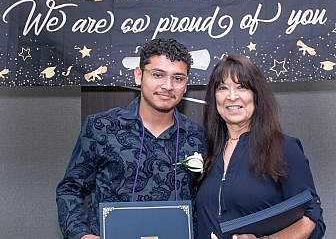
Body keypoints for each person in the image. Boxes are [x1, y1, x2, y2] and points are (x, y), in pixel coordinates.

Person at [56, 38, 206, 239]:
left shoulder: (197, 136)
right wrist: (81, 234)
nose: (168, 85)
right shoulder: (102, 127)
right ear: (138, 75)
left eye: (178, 78)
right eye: (158, 75)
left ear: (185, 85)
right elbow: (69, 188)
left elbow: (206, 200)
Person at [195, 55, 325, 239]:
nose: (232, 96)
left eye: (242, 87)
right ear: (214, 96)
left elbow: (312, 219)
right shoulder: (206, 150)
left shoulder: (284, 148)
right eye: (223, 88)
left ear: (256, 95)